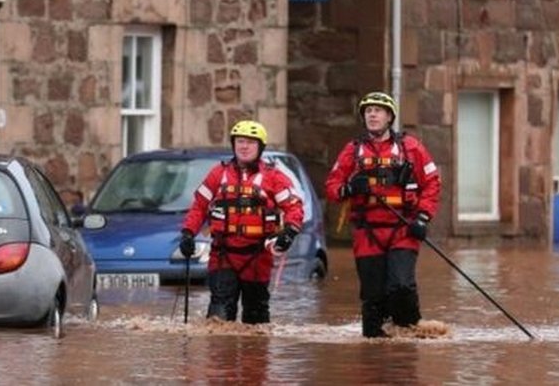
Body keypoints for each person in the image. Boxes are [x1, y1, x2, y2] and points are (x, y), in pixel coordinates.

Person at [325, 91, 441, 338]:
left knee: (401, 284)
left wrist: (422, 217)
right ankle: (375, 348)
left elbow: (432, 183)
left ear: (389, 117)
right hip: (367, 230)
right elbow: (332, 187)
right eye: (368, 111)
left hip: (403, 227)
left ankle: (409, 330)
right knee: (373, 295)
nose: (373, 115)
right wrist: (349, 188)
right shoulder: (352, 151)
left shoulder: (411, 148)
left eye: (378, 111)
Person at [178, 120, 304, 324]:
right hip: (223, 255)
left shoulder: (273, 177)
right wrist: (187, 233)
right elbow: (199, 206)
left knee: (255, 318)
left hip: (257, 256)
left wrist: (289, 231)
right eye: (240, 142)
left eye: (250, 143)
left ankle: (254, 354)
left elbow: (294, 208)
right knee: (218, 318)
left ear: (260, 147)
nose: (244, 147)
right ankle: (220, 354)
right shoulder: (218, 174)